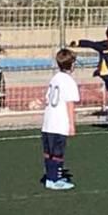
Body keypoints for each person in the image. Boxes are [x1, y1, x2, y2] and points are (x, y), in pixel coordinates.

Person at [40, 48, 79, 191]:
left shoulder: (55, 78)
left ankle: (50, 176)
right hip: (59, 123)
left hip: (48, 122)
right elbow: (70, 104)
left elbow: (47, 98)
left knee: (48, 152)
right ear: (72, 64)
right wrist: (71, 124)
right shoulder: (69, 82)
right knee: (57, 153)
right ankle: (53, 179)